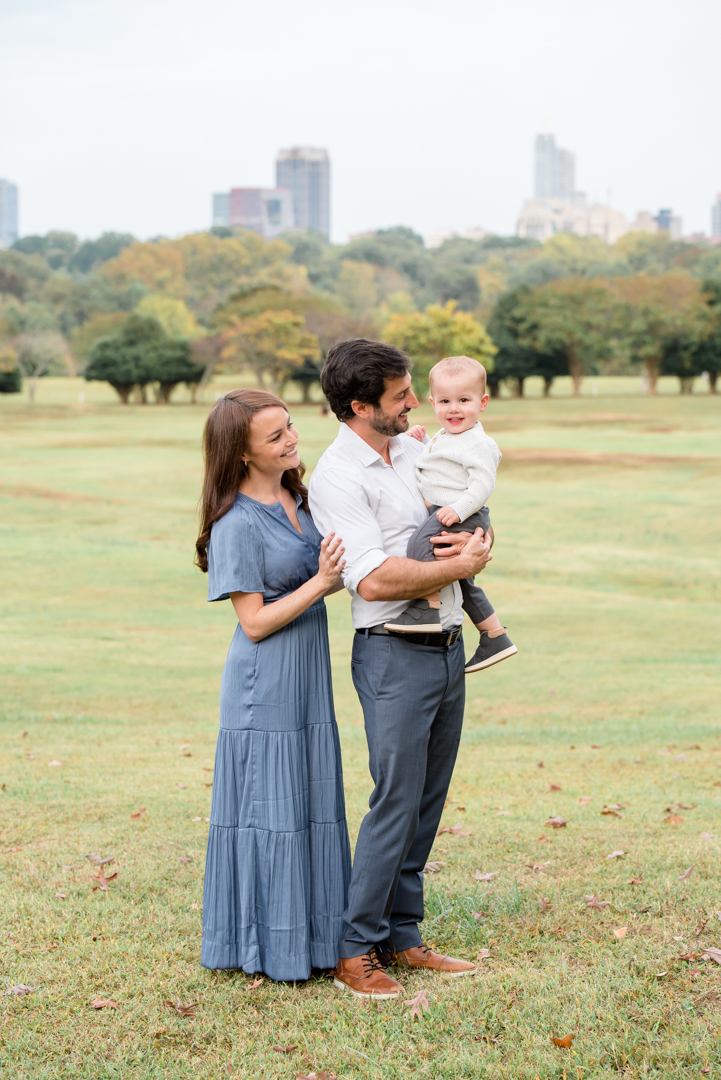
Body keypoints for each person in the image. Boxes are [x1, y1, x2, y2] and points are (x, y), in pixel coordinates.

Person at [308, 339, 493, 999]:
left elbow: (467, 510)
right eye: (399, 397)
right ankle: (354, 950)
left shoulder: (415, 449)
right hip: (390, 652)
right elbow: (377, 579)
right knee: (393, 801)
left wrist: (479, 541)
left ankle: (403, 935)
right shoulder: (336, 476)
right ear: (360, 406)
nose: (415, 403)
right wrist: (459, 567)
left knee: (425, 800)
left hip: (444, 645)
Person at [195, 389, 351, 982]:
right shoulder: (235, 523)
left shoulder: (297, 497)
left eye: (289, 427)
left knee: (308, 803)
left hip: (308, 675)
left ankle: (319, 938)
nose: (292, 440)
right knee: (270, 807)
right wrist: (324, 582)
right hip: (266, 682)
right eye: (276, 437)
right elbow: (254, 622)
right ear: (242, 454)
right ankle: (268, 948)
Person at [383, 354, 518, 674]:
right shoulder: (450, 436)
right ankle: (495, 634)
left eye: (463, 400)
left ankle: (426, 608)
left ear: (482, 402)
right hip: (455, 512)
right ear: (432, 402)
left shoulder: (478, 442)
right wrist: (424, 440)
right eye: (445, 401)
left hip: (461, 513)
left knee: (419, 546)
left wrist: (457, 510)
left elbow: (483, 484)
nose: (453, 408)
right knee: (463, 582)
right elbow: (445, 465)